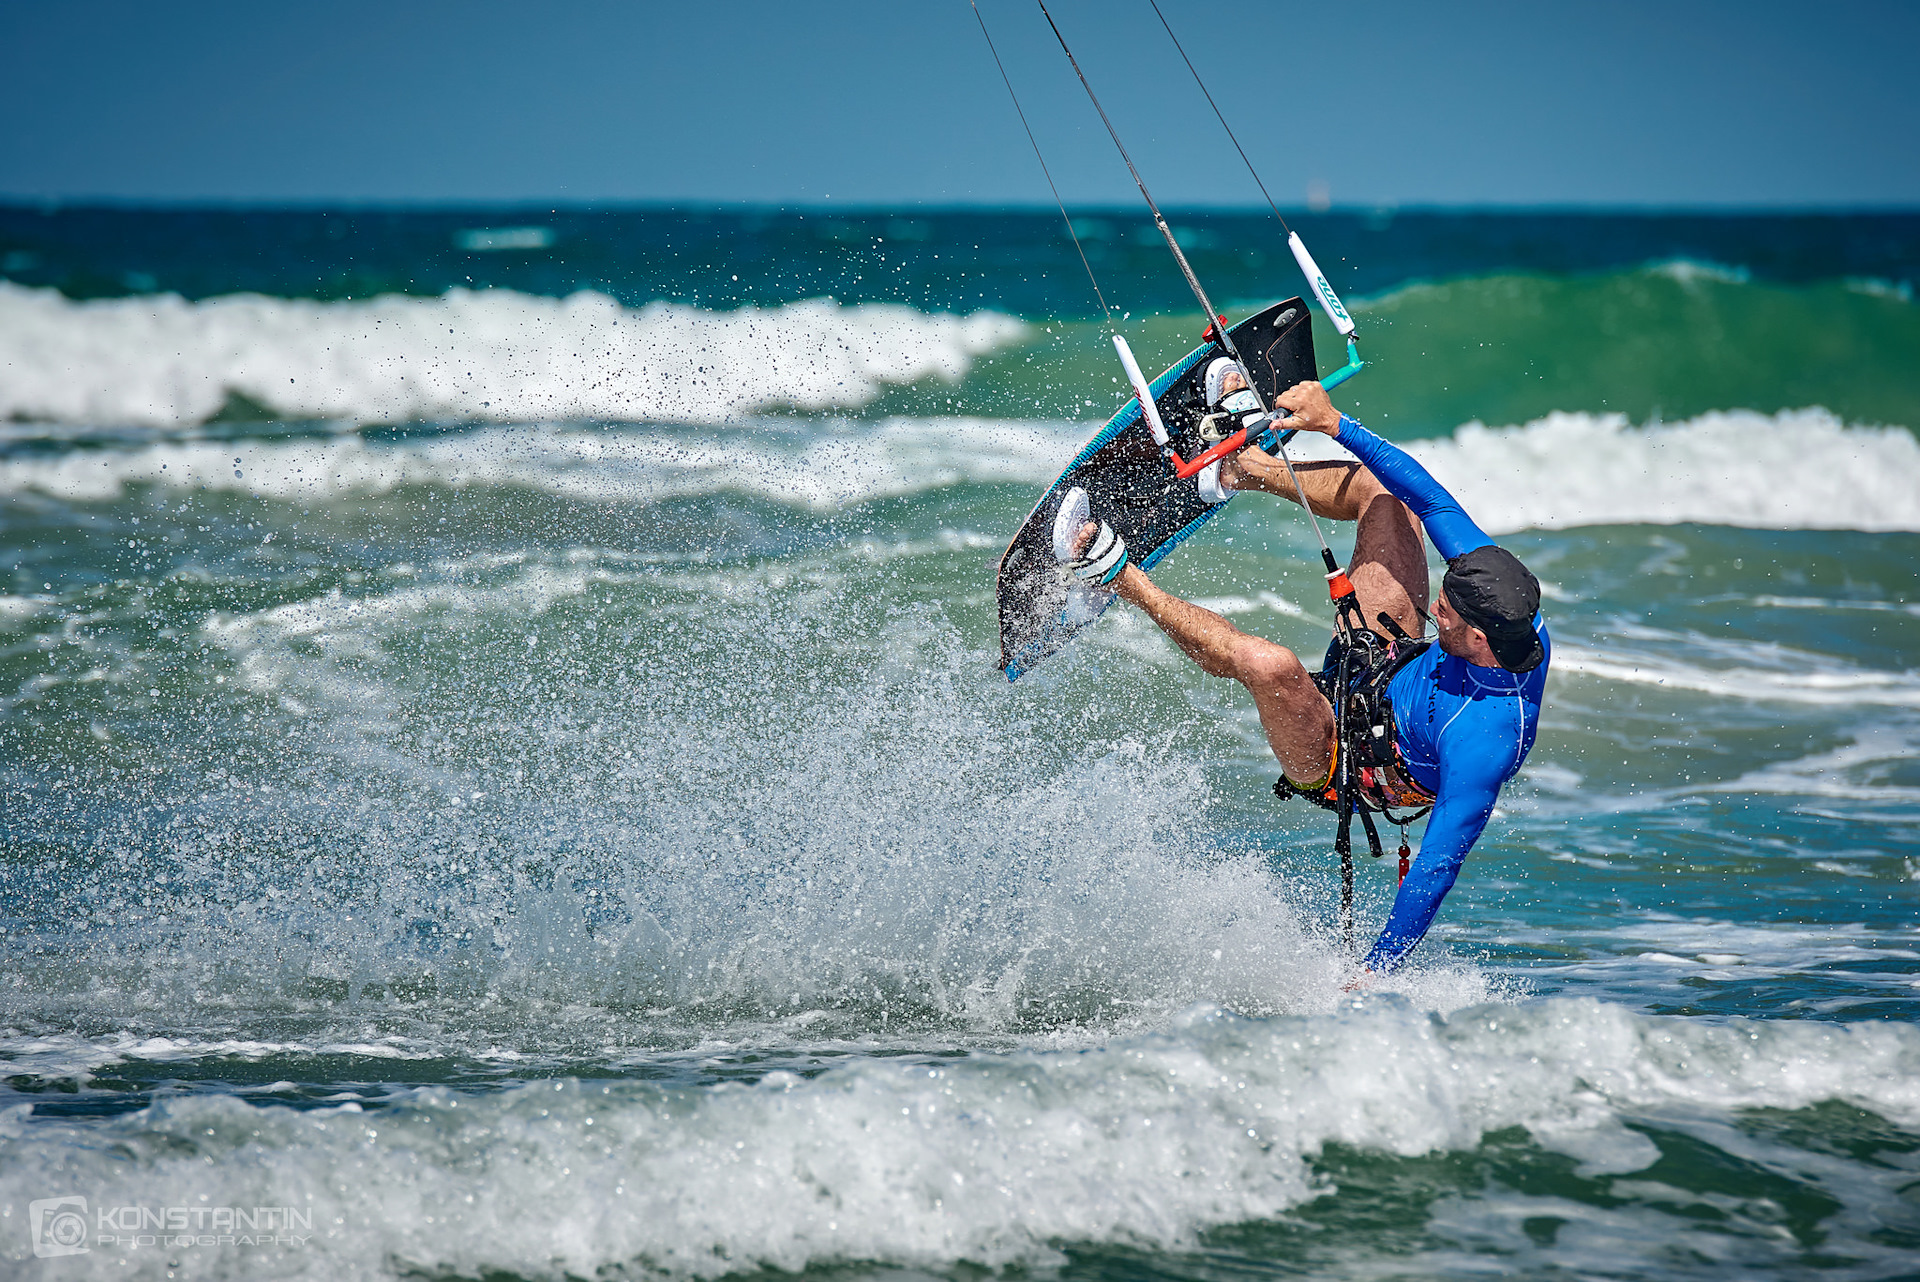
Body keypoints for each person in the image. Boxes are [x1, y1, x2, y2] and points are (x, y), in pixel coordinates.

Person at [1057, 373, 1549, 975]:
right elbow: (1433, 499)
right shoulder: (1509, 605)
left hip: (1353, 763)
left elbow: (1437, 869)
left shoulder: (1482, 744)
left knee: (1271, 665)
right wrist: (1334, 423)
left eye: (1444, 609)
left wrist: (1374, 971)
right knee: (1387, 498)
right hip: (1385, 664)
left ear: (1478, 638)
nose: (1434, 605)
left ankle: (1115, 577)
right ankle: (1239, 468)